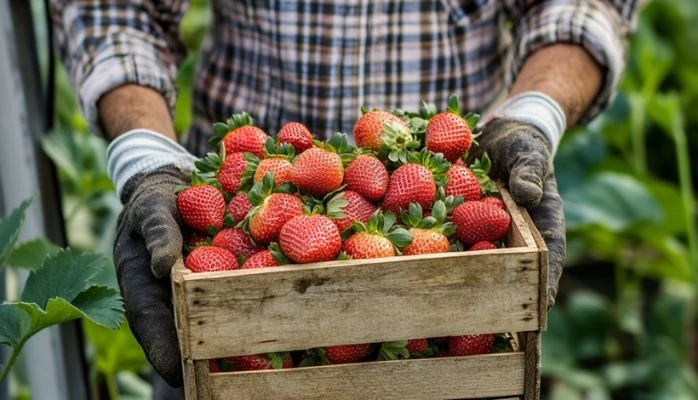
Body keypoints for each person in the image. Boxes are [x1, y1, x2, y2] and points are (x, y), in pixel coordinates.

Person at [49, 0, 636, 396]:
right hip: (230, 296)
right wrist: (146, 159)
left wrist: (531, 117)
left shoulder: (436, 199)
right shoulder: (245, 222)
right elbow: (117, 10)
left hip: (451, 294)